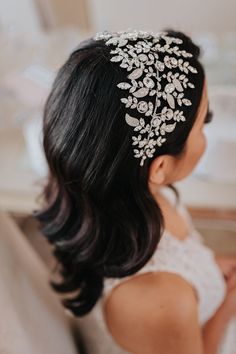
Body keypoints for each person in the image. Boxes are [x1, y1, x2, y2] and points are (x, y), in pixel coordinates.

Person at [34, 29, 236, 354]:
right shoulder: (160, 299)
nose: (205, 133)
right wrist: (227, 305)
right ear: (159, 168)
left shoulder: (111, 193)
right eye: (204, 123)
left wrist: (210, 270)